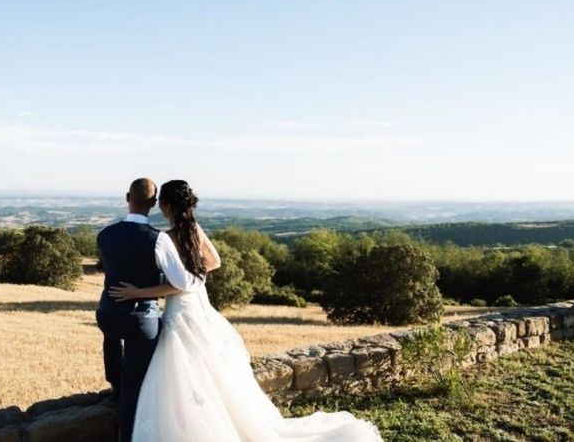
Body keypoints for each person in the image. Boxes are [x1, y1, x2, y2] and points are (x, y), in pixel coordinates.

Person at [109, 180, 382, 441]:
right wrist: (196, 275)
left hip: (180, 307)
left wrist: (141, 291)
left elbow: (177, 284)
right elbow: (214, 261)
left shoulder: (167, 238)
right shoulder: (195, 230)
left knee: (181, 365)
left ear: (165, 206)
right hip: (200, 306)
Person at [95, 178, 206, 442]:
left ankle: (114, 385)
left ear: (127, 197)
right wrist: (141, 293)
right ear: (154, 204)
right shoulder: (158, 239)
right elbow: (181, 283)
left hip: (107, 315)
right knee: (136, 384)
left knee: (112, 338)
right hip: (140, 321)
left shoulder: (104, 235)